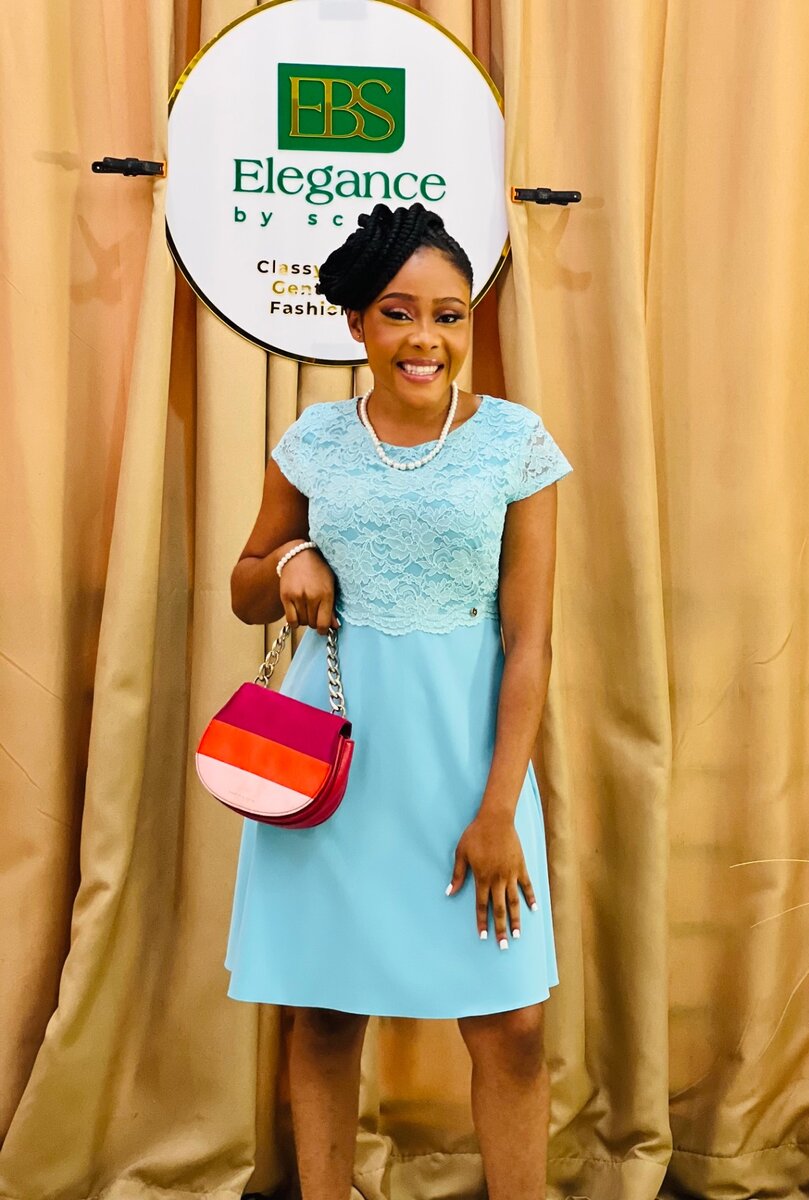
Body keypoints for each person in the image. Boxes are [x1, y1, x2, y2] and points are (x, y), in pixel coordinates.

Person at [227, 202, 574, 1200]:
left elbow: (531, 642)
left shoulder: (515, 442)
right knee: (325, 1013)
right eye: (399, 312)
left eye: (449, 316)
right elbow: (245, 587)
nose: (426, 338)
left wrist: (499, 810)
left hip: (468, 758)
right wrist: (291, 556)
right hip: (335, 763)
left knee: (512, 1026)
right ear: (357, 324)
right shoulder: (316, 440)